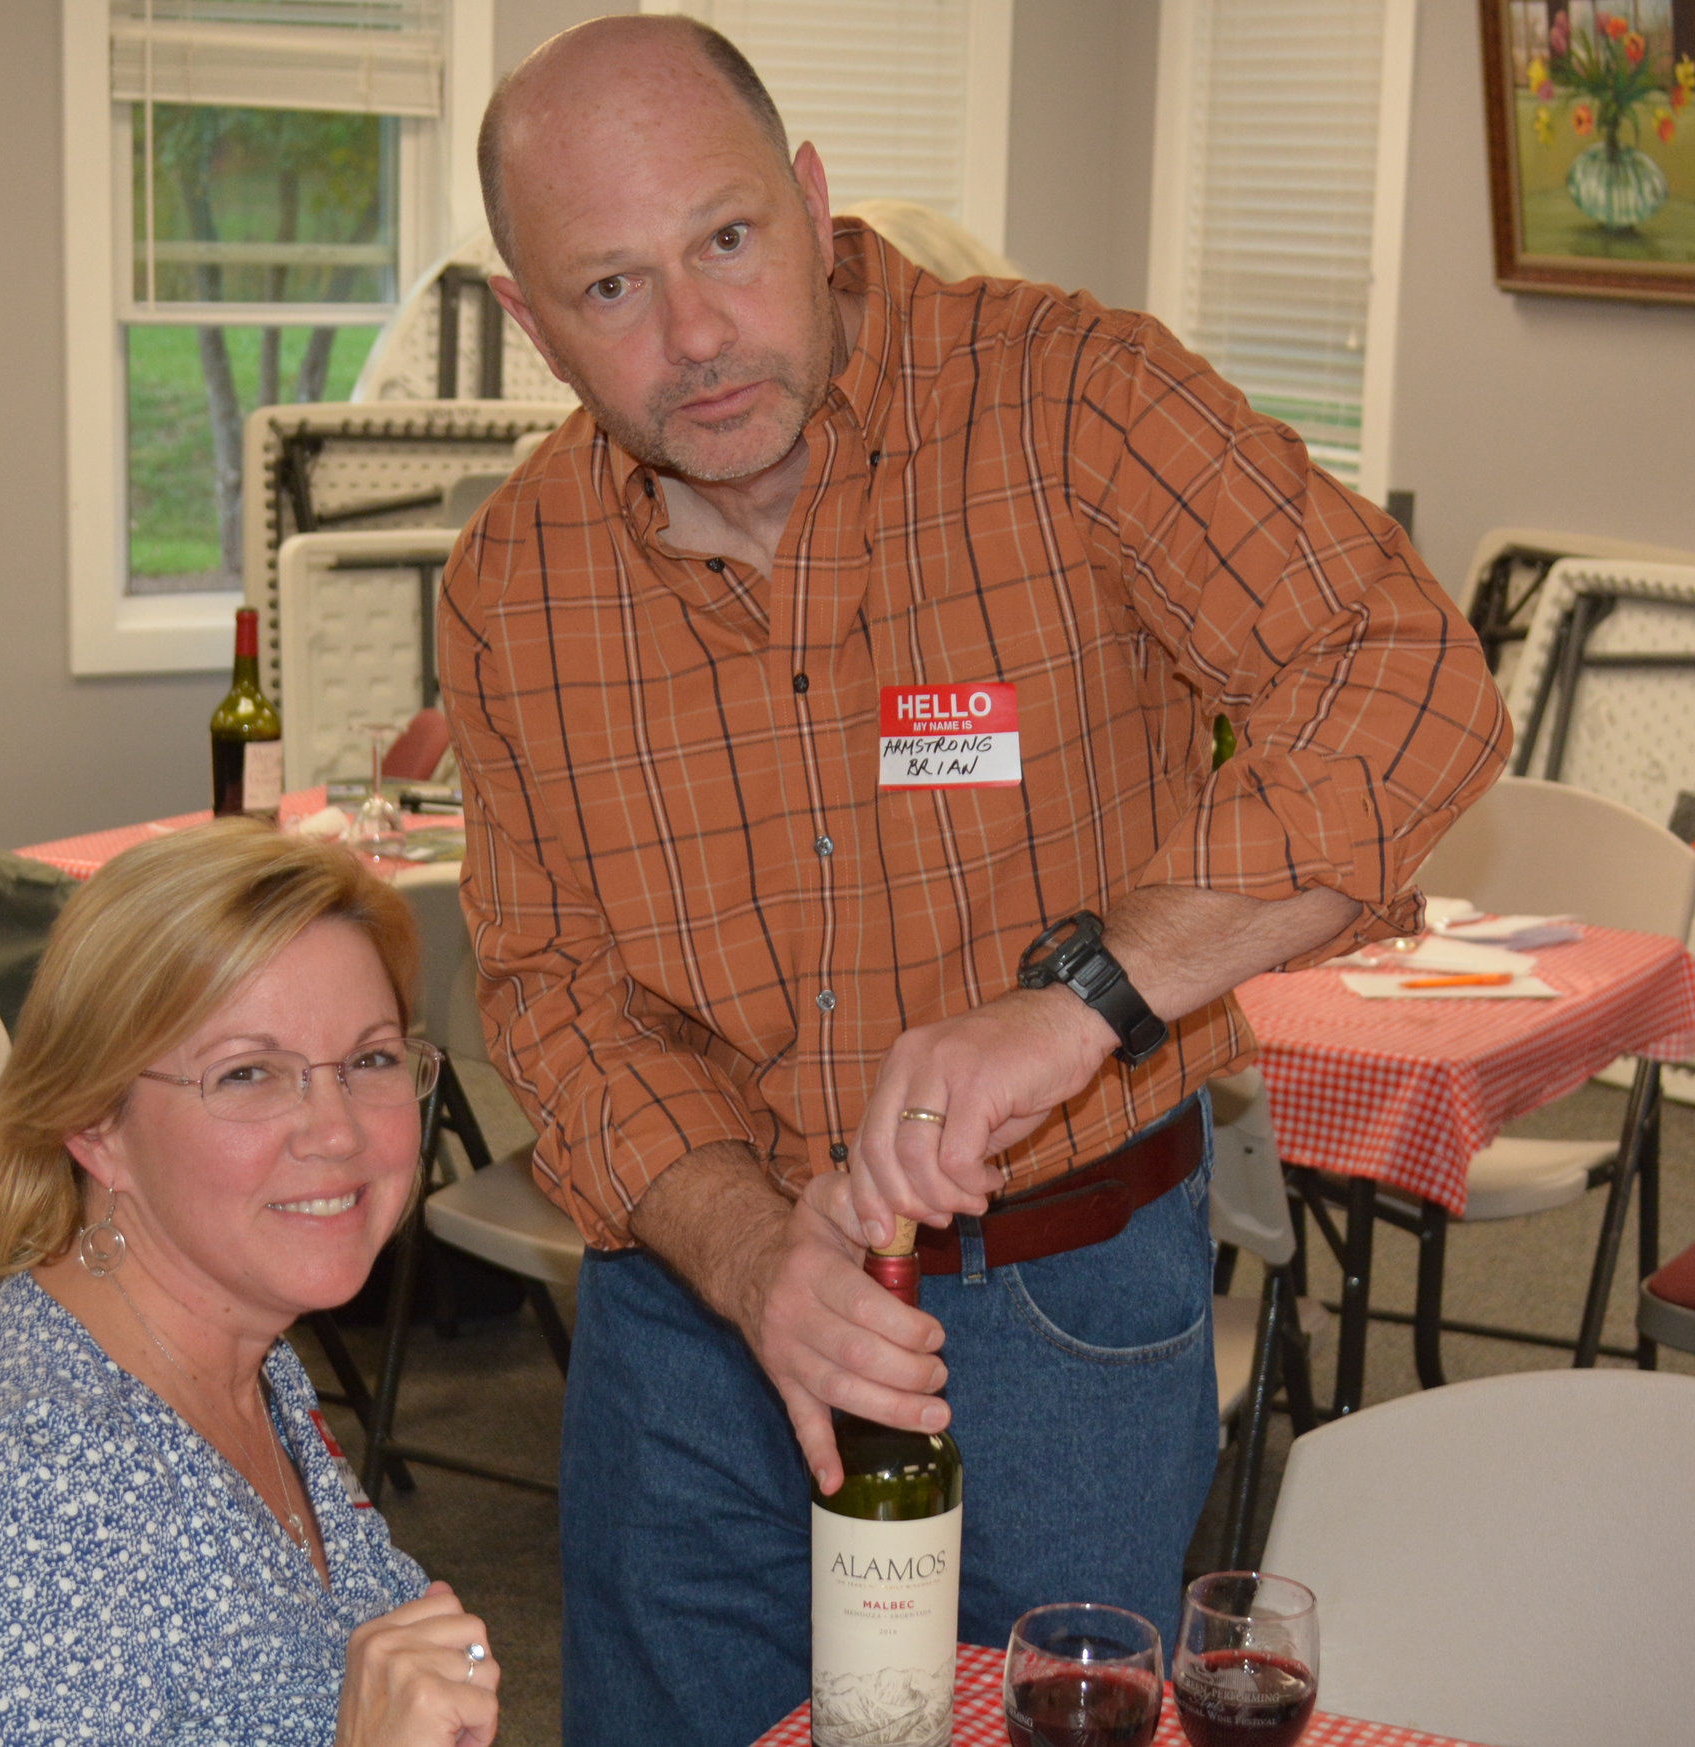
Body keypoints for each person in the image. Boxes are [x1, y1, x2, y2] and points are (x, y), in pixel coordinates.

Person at [446, 15, 1508, 1744]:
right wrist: (743, 1251)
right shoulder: (513, 582)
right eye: (612, 289)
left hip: (1060, 1310)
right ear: (527, 317)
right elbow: (554, 991)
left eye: (725, 240)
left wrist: (1088, 994)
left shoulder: (1073, 400)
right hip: (692, 1327)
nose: (700, 336)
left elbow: (1406, 678)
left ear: (807, 199)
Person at [0, 822, 500, 1747]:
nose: (337, 1131)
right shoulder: (38, 1522)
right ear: (95, 1121)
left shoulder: (219, 1336)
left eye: (372, 1059)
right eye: (250, 1073)